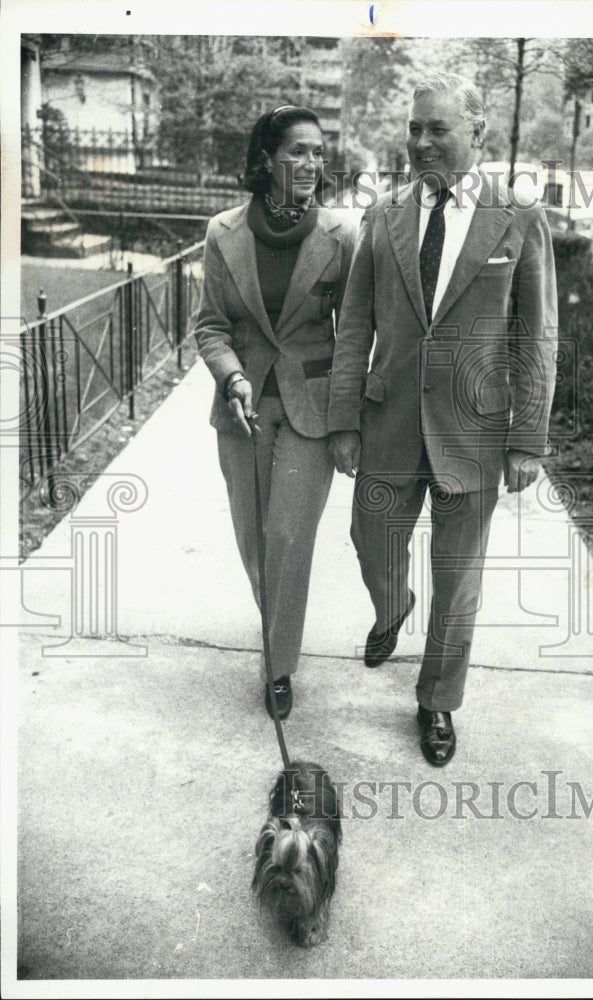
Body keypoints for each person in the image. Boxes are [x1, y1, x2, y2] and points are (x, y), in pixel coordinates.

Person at [327, 73, 558, 766]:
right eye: (414, 128)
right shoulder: (385, 214)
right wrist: (343, 418)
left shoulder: (517, 217)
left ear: (477, 133)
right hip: (387, 421)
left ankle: (436, 702)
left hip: (474, 430)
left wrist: (527, 439)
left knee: (457, 579)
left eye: (438, 128)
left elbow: (535, 335)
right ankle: (390, 607)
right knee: (371, 540)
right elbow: (354, 325)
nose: (421, 141)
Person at [195, 105, 357, 720]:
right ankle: (280, 627)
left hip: (310, 412)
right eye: (298, 152)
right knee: (255, 540)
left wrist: (348, 419)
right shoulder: (223, 232)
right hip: (243, 411)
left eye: (319, 152)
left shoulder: (342, 237)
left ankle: (278, 665)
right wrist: (232, 377)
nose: (313, 164)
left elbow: (355, 331)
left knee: (289, 536)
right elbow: (210, 326)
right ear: (266, 160)